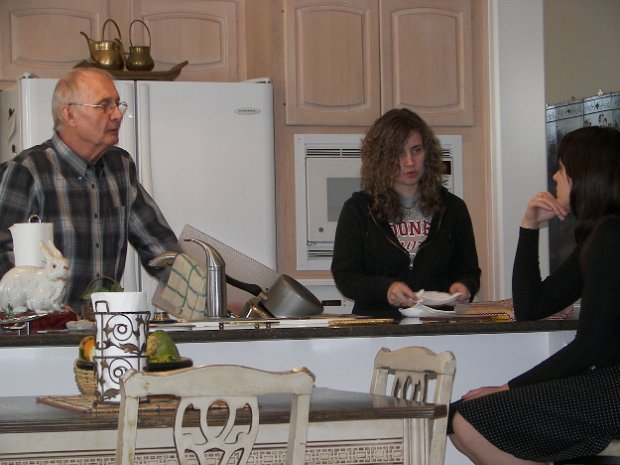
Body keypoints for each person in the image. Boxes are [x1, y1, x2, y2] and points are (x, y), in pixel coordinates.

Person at [449, 126, 620, 465]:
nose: (555, 177)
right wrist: (528, 227)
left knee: (467, 419)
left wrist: (509, 388)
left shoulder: (611, 237)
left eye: (561, 169)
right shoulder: (600, 237)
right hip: (608, 384)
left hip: (613, 389)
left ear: (584, 176)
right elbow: (531, 307)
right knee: (460, 417)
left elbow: (589, 347)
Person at [0, 68, 181, 310]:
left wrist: (210, 299)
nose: (117, 115)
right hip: (41, 333)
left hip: (104, 329)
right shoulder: (29, 170)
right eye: (105, 106)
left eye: (118, 104)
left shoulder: (120, 166)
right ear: (70, 114)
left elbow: (161, 249)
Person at [331, 108, 480, 319]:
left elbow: (469, 270)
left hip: (438, 323)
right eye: (398, 153)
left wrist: (464, 286)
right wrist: (386, 289)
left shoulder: (453, 208)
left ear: (427, 152)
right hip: (377, 325)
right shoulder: (358, 209)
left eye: (416, 150)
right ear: (381, 158)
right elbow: (345, 277)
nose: (409, 162)